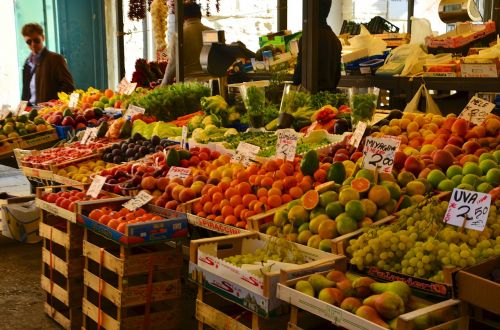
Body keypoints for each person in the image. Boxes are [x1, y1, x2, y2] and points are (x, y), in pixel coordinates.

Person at [292, 0, 342, 92]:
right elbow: (337, 76)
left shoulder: (308, 38)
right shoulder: (335, 39)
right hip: (328, 99)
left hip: (310, 99)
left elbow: (298, 76)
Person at [21, 23, 74, 105]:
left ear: (43, 38)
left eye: (36, 40)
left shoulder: (56, 59)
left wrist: (54, 104)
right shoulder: (27, 62)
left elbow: (69, 88)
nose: (33, 44)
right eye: (29, 42)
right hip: (30, 110)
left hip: (49, 112)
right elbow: (25, 93)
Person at [161, 2, 212, 85]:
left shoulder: (180, 35)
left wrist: (163, 87)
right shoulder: (212, 32)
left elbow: (173, 65)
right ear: (200, 15)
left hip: (190, 86)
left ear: (183, 17)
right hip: (212, 83)